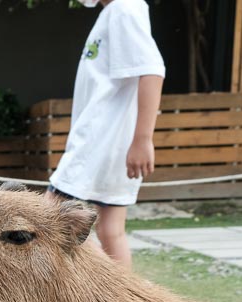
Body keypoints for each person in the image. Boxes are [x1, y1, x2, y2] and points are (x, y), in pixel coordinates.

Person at [48, 0, 164, 268]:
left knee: (53, 217)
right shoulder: (115, 11)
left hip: (100, 143)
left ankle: (105, 298)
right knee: (111, 231)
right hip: (108, 143)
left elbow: (152, 71)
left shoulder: (125, 8)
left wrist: (143, 140)